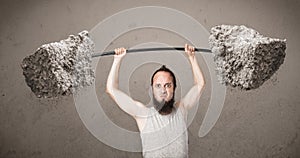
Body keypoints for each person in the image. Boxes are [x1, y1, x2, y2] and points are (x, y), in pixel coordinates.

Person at [106, 44, 205, 158]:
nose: (163, 90)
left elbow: (200, 85)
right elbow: (111, 89)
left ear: (174, 88)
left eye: (167, 85)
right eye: (158, 86)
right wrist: (117, 60)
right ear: (152, 90)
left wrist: (192, 58)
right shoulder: (142, 114)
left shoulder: (181, 109)